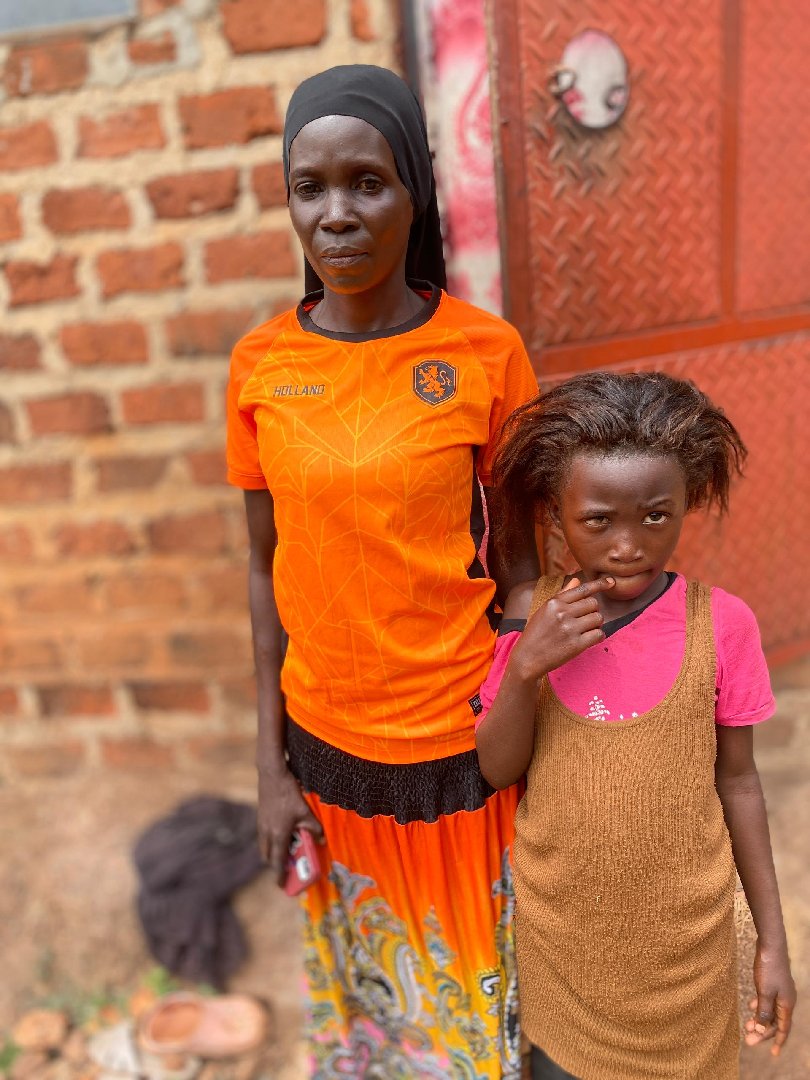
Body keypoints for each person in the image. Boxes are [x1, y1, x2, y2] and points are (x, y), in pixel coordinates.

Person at [226, 65, 539, 1077]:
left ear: (416, 192)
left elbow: (523, 568)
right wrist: (269, 767)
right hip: (326, 753)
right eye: (309, 188)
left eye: (368, 182)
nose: (338, 214)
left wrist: (525, 724)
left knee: (479, 1003)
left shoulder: (486, 353)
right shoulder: (260, 367)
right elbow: (263, 573)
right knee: (372, 1010)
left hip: (460, 752)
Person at [475, 371, 796, 1080]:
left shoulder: (722, 624)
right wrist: (526, 667)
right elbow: (497, 769)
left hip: (687, 951)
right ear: (556, 515)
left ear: (687, 502)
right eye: (599, 521)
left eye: (656, 516)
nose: (629, 545)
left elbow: (740, 783)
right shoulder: (532, 612)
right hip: (564, 947)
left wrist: (772, 943)